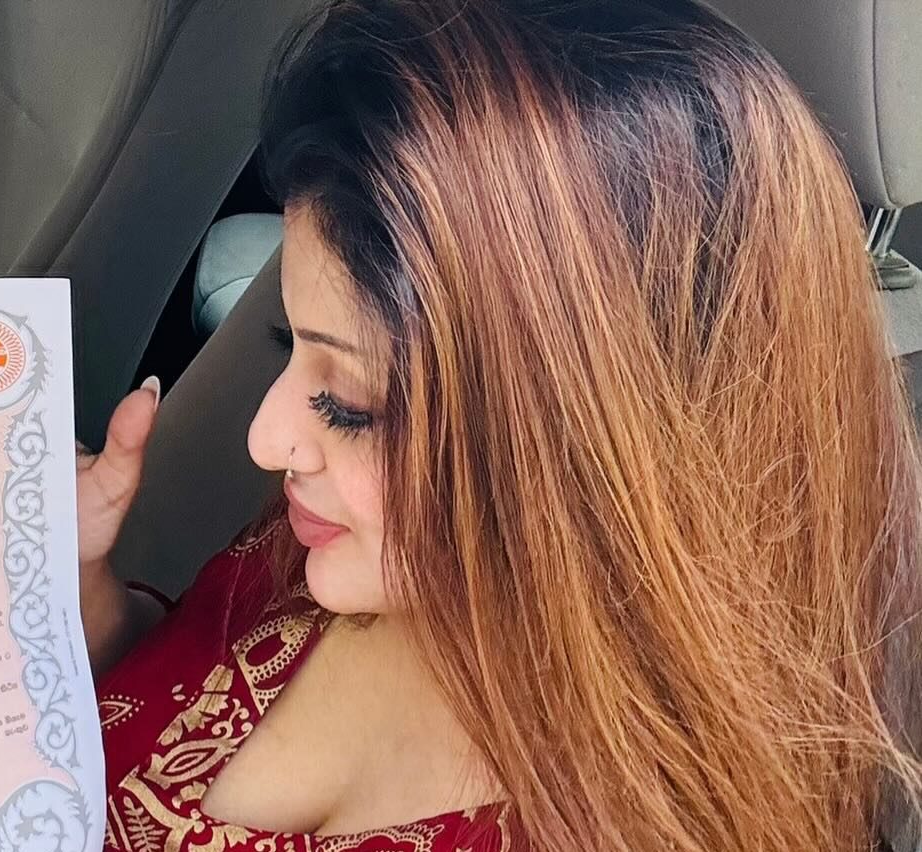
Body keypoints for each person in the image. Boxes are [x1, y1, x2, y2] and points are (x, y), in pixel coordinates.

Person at [74, 0, 922, 850]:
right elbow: (165, 693)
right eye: (286, 345)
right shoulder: (337, 546)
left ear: (596, 451)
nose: (267, 439)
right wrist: (78, 596)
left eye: (352, 404)